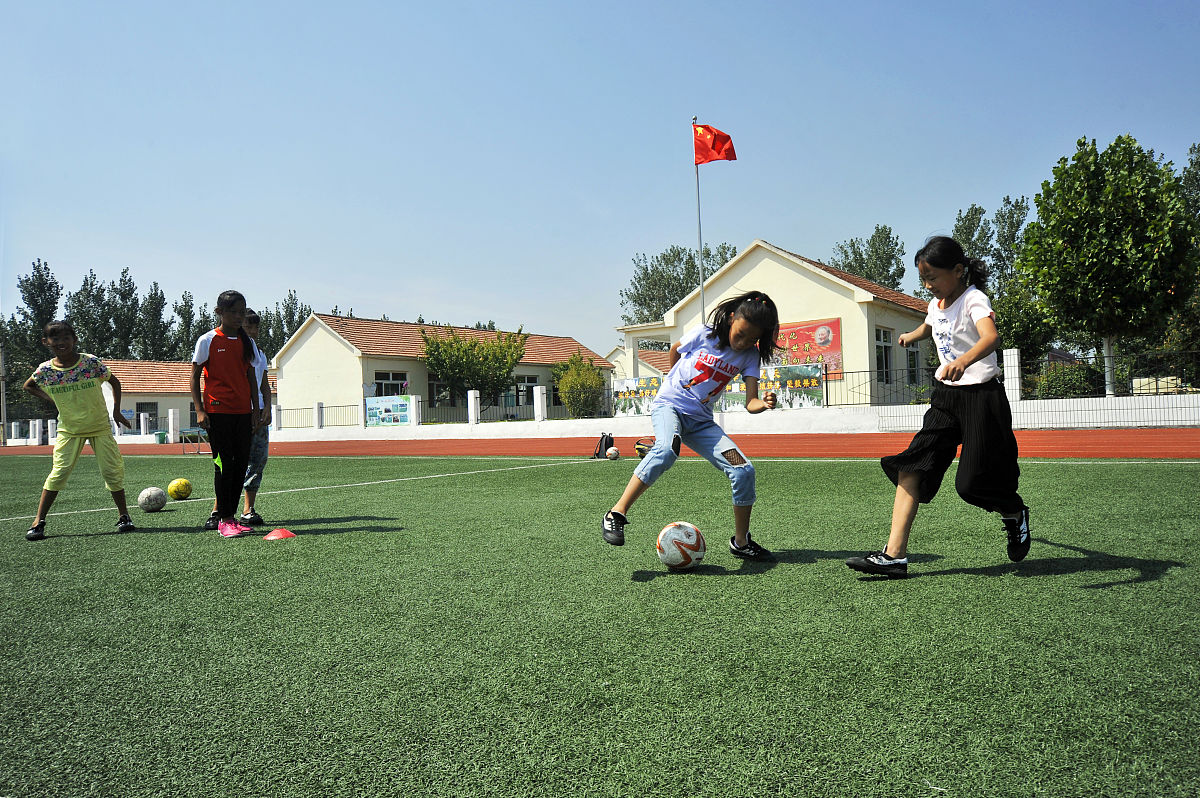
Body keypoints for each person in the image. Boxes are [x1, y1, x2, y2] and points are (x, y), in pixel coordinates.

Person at [846, 236, 1030, 578]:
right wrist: (911, 336)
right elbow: (931, 324)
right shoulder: (936, 303)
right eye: (924, 279)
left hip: (982, 397)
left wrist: (964, 360)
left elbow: (991, 338)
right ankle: (894, 556)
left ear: (958, 271)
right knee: (911, 465)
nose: (929, 285)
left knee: (971, 485)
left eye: (933, 277)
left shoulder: (974, 299)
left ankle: (1014, 511)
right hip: (946, 397)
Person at [602, 290, 780, 560]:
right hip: (669, 407)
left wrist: (765, 403)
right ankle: (616, 513)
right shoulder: (705, 334)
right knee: (666, 450)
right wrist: (672, 383)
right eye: (740, 333)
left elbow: (750, 402)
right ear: (731, 318)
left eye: (752, 339)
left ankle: (741, 542)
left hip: (701, 424)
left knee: (743, 470)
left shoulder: (749, 357)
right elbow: (675, 350)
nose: (743, 342)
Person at [23, 320, 136, 540]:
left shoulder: (90, 363)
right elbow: (28, 386)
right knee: (59, 473)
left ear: (74, 339)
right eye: (55, 338)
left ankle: (124, 516)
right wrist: (51, 398)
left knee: (112, 472)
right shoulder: (46, 370)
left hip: (99, 427)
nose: (61, 342)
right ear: (46, 342)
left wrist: (116, 411)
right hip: (69, 430)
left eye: (66, 337)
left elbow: (115, 382)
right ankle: (39, 521)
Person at [191, 290, 264, 538]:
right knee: (224, 466)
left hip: (243, 413)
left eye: (241, 312)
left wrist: (255, 408)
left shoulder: (248, 342)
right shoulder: (208, 340)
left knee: (241, 465)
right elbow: (194, 375)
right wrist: (200, 410)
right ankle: (223, 519)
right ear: (219, 312)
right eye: (233, 312)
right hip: (217, 413)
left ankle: (232, 518)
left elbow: (251, 378)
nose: (238, 317)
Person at [202, 308, 272, 529]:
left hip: (256, 413)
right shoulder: (224, 345)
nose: (252, 331)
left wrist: (266, 407)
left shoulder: (258, 353)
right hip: (234, 412)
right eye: (248, 326)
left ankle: (248, 510)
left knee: (256, 461)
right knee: (227, 464)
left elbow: (263, 384)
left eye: (255, 327)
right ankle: (218, 511)